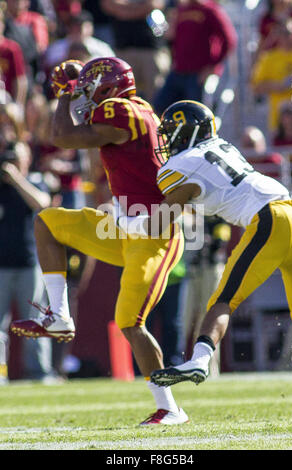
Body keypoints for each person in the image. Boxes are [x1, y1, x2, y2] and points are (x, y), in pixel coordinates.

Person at [10, 57, 188, 426]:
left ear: (108, 88)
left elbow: (61, 137)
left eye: (91, 87)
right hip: (126, 226)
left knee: (129, 320)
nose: (86, 95)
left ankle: (170, 407)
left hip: (156, 233)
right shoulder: (136, 110)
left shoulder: (121, 111)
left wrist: (64, 93)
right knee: (47, 222)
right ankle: (59, 316)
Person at [104, 100, 292, 389]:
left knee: (223, 299)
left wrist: (121, 221)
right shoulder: (222, 147)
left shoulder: (183, 166)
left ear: (186, 134)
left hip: (271, 219)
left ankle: (199, 359)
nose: (166, 141)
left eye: (171, 133)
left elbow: (159, 224)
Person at [0, 140, 53, 384]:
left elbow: (42, 202)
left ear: (26, 159)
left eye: (16, 158)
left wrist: (17, 179)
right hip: (2, 265)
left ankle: (40, 372)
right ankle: (1, 374)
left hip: (29, 263)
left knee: (34, 321)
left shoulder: (34, 181)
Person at [153, 0, 237, 115]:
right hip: (178, 71)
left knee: (197, 114)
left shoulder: (210, 9)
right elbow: (172, 38)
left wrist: (213, 66)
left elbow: (229, 40)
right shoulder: (181, 10)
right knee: (160, 108)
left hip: (198, 75)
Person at [101, 0, 170, 104]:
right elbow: (109, 5)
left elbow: (155, 4)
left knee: (156, 96)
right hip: (123, 50)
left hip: (150, 50)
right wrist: (138, 7)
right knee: (123, 95)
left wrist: (126, 8)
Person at [251, 17, 292, 132]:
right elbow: (256, 87)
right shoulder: (268, 58)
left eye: (288, 33)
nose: (285, 37)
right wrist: (281, 85)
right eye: (281, 33)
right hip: (279, 122)